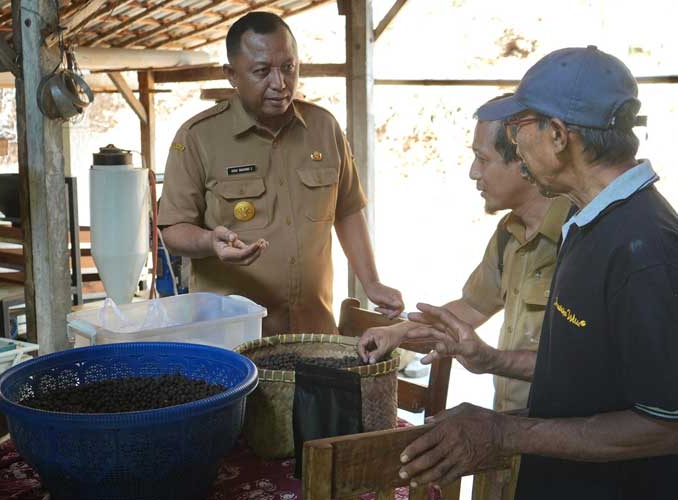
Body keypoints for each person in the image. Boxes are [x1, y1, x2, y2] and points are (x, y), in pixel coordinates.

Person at [367, 46, 678, 500]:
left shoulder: (644, 249)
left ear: (557, 135)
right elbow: (586, 376)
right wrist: (493, 386)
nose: (514, 143)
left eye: (518, 128)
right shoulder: (590, 222)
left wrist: (503, 433)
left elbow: (664, 425)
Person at [358, 95, 571, 500]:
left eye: (483, 159)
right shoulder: (510, 233)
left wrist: (489, 358)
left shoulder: (577, 238)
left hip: (564, 445)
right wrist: (400, 332)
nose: (474, 173)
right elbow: (472, 307)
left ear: (524, 162)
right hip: (508, 437)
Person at [158, 12, 403, 336]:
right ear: (232, 74)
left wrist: (371, 281)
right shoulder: (197, 137)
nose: (280, 83)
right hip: (235, 343)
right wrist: (208, 242)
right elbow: (172, 229)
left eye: (288, 67)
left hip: (313, 335)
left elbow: (347, 210)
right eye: (262, 71)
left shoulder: (323, 128)